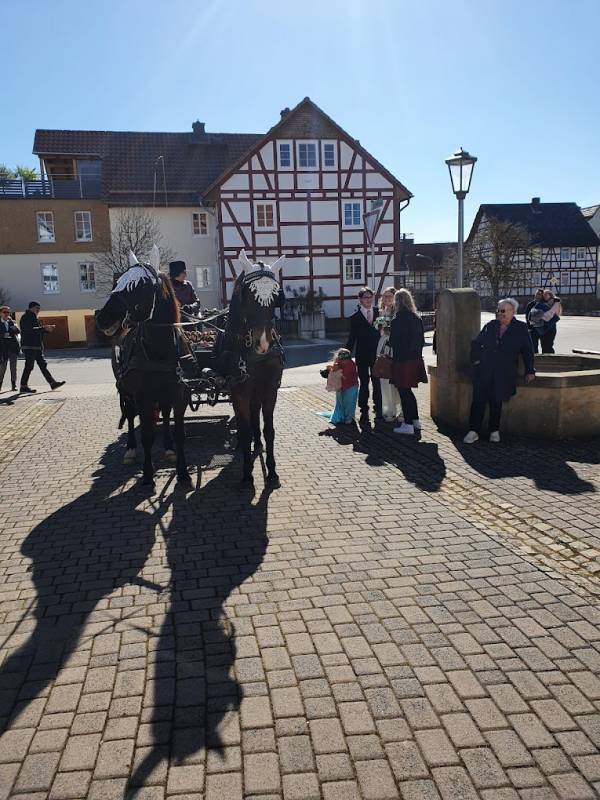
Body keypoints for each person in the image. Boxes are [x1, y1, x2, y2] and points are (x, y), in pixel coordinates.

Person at [463, 297, 535, 444]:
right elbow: (476, 343)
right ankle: (473, 431)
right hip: (484, 370)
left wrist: (530, 370)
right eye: (498, 311)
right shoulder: (491, 325)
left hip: (504, 371)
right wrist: (476, 360)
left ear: (512, 311)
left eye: (503, 311)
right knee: (478, 400)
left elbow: (528, 350)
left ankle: (494, 431)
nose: (500, 314)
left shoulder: (520, 328)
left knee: (496, 401)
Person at [389, 288, 427, 435]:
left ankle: (408, 424)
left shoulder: (397, 320)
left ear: (397, 302)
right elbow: (421, 341)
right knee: (409, 392)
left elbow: (393, 342)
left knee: (404, 392)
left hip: (402, 360)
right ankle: (415, 420)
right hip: (415, 359)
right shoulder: (417, 318)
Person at [345, 287, 382, 425]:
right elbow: (352, 338)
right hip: (362, 355)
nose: (368, 300)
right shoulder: (355, 317)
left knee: (377, 383)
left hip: (376, 355)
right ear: (360, 299)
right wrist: (345, 354)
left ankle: (378, 409)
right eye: (366, 297)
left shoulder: (379, 313)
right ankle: (364, 410)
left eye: (370, 297)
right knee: (364, 384)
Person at [19, 302, 66, 393]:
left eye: (39, 308)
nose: (38, 310)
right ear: (31, 308)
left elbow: (38, 331)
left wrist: (47, 330)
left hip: (37, 346)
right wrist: (44, 328)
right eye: (37, 308)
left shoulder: (35, 318)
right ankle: (23, 386)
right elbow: (29, 330)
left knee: (43, 365)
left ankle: (52, 383)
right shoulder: (25, 317)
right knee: (29, 366)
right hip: (29, 346)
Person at [375, 286, 401, 422]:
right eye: (385, 296)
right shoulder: (381, 312)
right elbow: (379, 331)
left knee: (398, 380)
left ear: (395, 298)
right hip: (383, 345)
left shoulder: (399, 313)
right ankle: (389, 410)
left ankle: (402, 411)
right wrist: (380, 327)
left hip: (395, 347)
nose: (387, 298)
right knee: (384, 379)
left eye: (390, 296)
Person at [322, 347, 359, 425]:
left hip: (349, 387)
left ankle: (347, 417)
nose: (344, 362)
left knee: (348, 403)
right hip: (344, 386)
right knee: (344, 403)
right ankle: (344, 417)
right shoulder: (342, 363)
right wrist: (331, 369)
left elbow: (347, 375)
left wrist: (334, 370)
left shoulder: (350, 364)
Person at [0, 306, 20, 392]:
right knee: (2, 368)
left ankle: (13, 385)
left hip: (13, 348)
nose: (6, 314)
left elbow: (18, 332)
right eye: (4, 312)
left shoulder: (12, 322)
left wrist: (15, 327)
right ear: (0, 313)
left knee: (13, 368)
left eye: (8, 312)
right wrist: (3, 335)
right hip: (2, 349)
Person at [525, 288, 544, 353]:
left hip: (543, 329)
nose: (538, 295)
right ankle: (535, 359)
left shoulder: (545, 304)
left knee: (546, 347)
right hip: (533, 329)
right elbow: (527, 317)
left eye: (540, 294)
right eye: (537, 294)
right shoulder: (530, 304)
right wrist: (529, 328)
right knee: (533, 348)